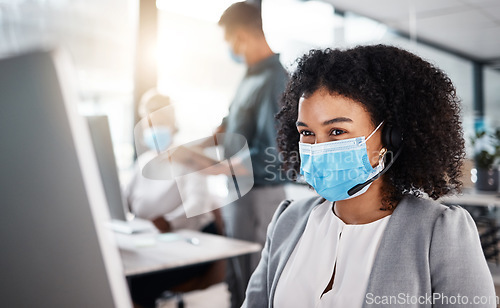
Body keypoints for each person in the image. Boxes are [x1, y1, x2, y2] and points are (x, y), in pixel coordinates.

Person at [243, 45, 496, 307]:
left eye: (337, 132)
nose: (317, 148)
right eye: (307, 133)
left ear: (390, 138)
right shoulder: (288, 220)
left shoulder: (441, 231)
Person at [214, 2, 290, 307]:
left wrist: (216, 168)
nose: (229, 49)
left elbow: (272, 156)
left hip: (259, 196)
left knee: (256, 288)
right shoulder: (249, 77)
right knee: (237, 284)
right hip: (238, 194)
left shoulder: (275, 81)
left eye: (229, 40)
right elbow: (233, 128)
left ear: (243, 35)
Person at [125, 89, 223, 308]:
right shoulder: (143, 162)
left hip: (190, 244)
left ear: (172, 122)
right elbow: (125, 199)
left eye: (160, 119)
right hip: (152, 245)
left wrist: (169, 222)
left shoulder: (185, 156)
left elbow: (197, 204)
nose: (154, 127)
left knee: (137, 286)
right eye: (149, 121)